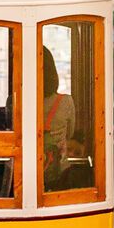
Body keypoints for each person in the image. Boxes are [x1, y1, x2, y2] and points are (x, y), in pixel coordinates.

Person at [40, 46, 78, 188]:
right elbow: (70, 133)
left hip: (23, 174)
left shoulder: (14, 101)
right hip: (60, 173)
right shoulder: (66, 102)